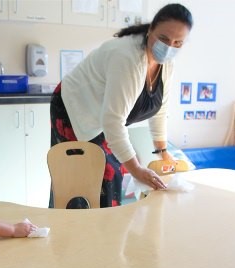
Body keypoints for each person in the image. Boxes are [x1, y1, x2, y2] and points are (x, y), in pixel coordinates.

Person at [50, 3, 193, 207]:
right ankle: (77, 231)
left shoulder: (167, 64)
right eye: (163, 39)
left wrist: (162, 152)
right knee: (82, 179)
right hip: (74, 108)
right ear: (151, 29)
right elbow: (113, 122)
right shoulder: (128, 59)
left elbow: (160, 109)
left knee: (113, 173)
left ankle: (106, 230)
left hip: (104, 117)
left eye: (178, 43)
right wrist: (137, 170)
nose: (169, 47)